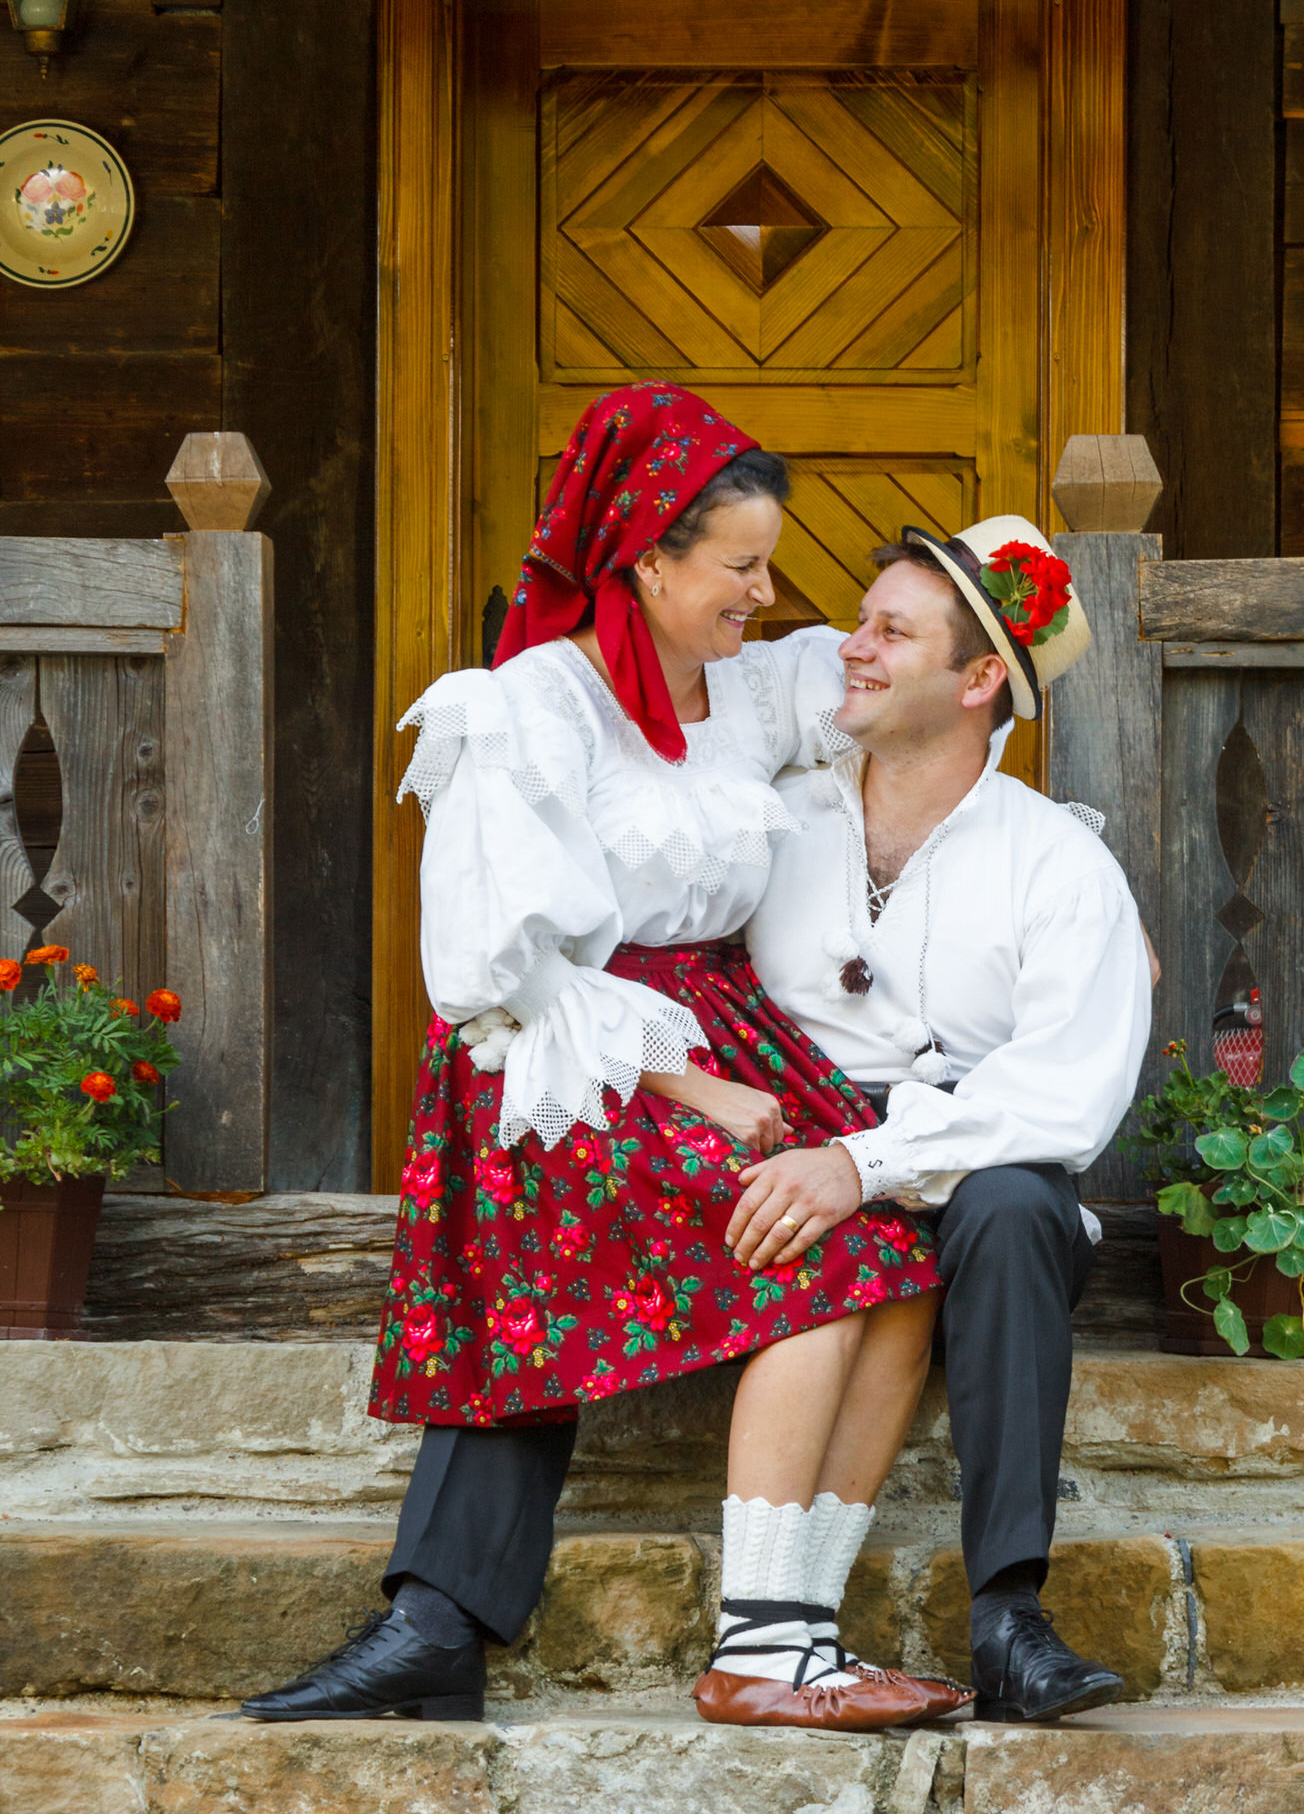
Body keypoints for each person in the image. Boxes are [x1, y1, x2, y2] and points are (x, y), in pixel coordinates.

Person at [242, 384, 958, 1733]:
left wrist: (1048, 849)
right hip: (569, 1051)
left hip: (726, 1032)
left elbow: (941, 674)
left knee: (899, 1254)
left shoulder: (752, 690)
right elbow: (493, 975)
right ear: (646, 559)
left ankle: (785, 1629)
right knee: (827, 1252)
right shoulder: (527, 707)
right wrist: (696, 1084)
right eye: (741, 564)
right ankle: (742, 1644)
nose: (768, 592)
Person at [735, 516, 1153, 1725]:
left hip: (969, 1165)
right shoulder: (771, 819)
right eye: (861, 622)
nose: (849, 646)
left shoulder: (1057, 861)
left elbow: (1064, 1094)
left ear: (977, 682)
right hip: (784, 1151)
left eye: (890, 630)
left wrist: (865, 1161)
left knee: (1019, 1206)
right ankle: (768, 1629)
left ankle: (1009, 1615)